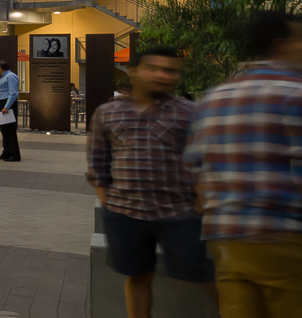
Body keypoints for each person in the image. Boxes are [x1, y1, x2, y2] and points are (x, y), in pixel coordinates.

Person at [184, 11, 302, 317]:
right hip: (289, 241)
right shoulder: (301, 93)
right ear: (281, 44)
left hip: (227, 241)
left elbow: (195, 171)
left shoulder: (214, 97)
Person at [86, 44, 216, 318]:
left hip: (179, 214)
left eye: (169, 71)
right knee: (137, 277)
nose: (161, 75)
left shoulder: (189, 112)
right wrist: (106, 201)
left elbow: (205, 161)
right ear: (132, 71)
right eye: (152, 68)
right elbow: (97, 161)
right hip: (126, 214)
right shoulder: (108, 112)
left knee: (205, 275)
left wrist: (201, 204)